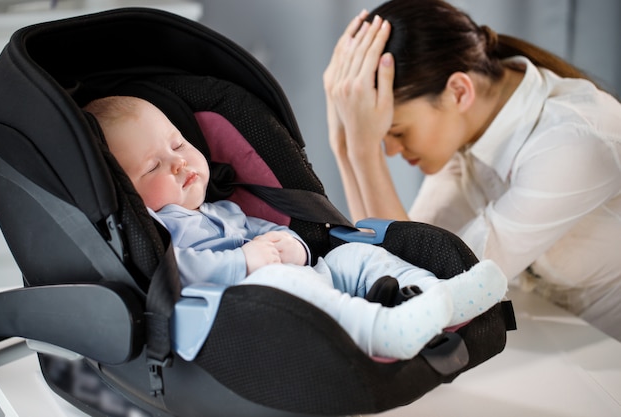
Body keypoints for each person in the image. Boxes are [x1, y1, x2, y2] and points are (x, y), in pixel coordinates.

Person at [84, 95, 507, 360]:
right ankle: (382, 331)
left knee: (353, 254)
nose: (178, 162)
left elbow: (269, 230)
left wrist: (292, 245)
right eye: (153, 166)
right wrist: (246, 260)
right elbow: (178, 273)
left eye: (177, 144)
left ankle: (439, 296)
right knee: (284, 278)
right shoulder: (157, 227)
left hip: (299, 279)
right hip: (238, 310)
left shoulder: (222, 210)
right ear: (127, 193)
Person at [323, 0, 621, 340]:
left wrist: (363, 151)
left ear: (459, 91)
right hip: (561, 342)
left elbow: (441, 285)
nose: (388, 150)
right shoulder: (470, 136)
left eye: (397, 132)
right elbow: (400, 269)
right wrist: (344, 147)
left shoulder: (573, 143)